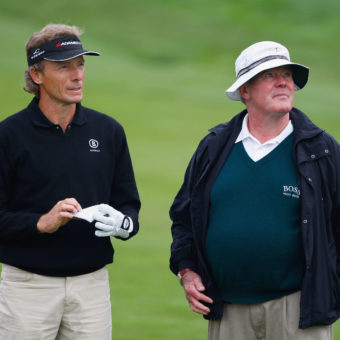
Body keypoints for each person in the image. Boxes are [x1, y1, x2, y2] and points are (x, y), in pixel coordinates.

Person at [169, 40, 340, 340]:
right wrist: (187, 270)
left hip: (300, 310)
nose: (283, 82)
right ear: (244, 90)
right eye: (268, 75)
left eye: (286, 74)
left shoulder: (322, 150)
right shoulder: (214, 146)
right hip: (228, 309)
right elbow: (185, 217)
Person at [0, 23, 140, 339]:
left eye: (81, 65)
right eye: (64, 68)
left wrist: (124, 225)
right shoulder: (9, 136)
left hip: (91, 286)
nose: (77, 76)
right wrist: (41, 223)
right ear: (37, 75)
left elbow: (128, 203)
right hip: (28, 287)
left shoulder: (108, 131)